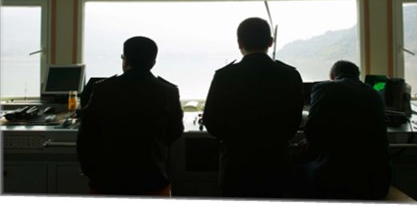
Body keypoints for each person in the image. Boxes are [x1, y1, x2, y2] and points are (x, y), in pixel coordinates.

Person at [202, 17, 304, 199]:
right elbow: (294, 120)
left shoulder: (224, 76)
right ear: (271, 42)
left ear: (239, 43)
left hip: (236, 165)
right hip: (276, 163)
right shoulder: (290, 75)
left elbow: (211, 121)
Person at [76, 36, 184, 196]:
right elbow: (174, 132)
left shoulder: (103, 90)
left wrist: (91, 172)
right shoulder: (168, 92)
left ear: (125, 60)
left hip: (107, 182)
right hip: (152, 179)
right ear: (154, 61)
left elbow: (86, 136)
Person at [297, 60, 391, 200]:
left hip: (336, 180)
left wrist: (308, 140)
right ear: (358, 76)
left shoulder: (323, 88)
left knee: (296, 171)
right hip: (377, 181)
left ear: (332, 75)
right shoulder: (374, 94)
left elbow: (312, 131)